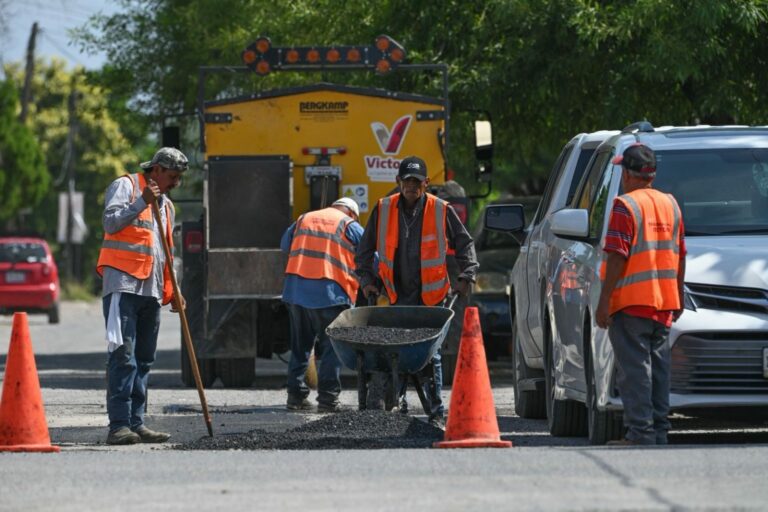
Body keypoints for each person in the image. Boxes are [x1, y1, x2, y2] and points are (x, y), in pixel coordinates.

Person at [355, 155, 478, 428]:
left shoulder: (440, 209)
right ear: (398, 181)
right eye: (407, 181)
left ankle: (435, 414)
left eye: (417, 181)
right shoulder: (384, 208)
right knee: (393, 353)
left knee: (430, 356)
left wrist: (467, 274)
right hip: (395, 297)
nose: (411, 186)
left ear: (427, 183)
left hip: (431, 300)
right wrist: (367, 280)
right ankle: (396, 406)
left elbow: (464, 242)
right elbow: (364, 251)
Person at [96, 147, 188, 445]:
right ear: (156, 170)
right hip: (123, 285)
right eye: (172, 176)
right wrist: (141, 202)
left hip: (151, 290)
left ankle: (137, 422)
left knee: (144, 359)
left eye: (179, 178)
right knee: (123, 357)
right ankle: (118, 426)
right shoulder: (126, 186)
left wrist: (175, 290)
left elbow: (165, 253)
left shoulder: (167, 207)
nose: (176, 183)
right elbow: (110, 223)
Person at [596, 143, 686, 446]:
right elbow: (680, 255)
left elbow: (617, 256)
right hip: (664, 305)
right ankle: (658, 432)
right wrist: (678, 295)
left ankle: (640, 434)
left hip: (632, 304)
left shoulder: (625, 205)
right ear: (652, 175)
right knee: (659, 372)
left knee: (635, 372)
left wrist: (604, 301)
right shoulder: (671, 204)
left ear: (628, 174)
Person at [281, 197, 364, 412]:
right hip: (331, 293)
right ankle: (328, 399)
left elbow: (285, 245)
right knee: (332, 347)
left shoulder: (303, 219)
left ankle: (295, 396)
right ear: (352, 213)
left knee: (300, 346)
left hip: (296, 291)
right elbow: (370, 255)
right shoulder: (349, 225)